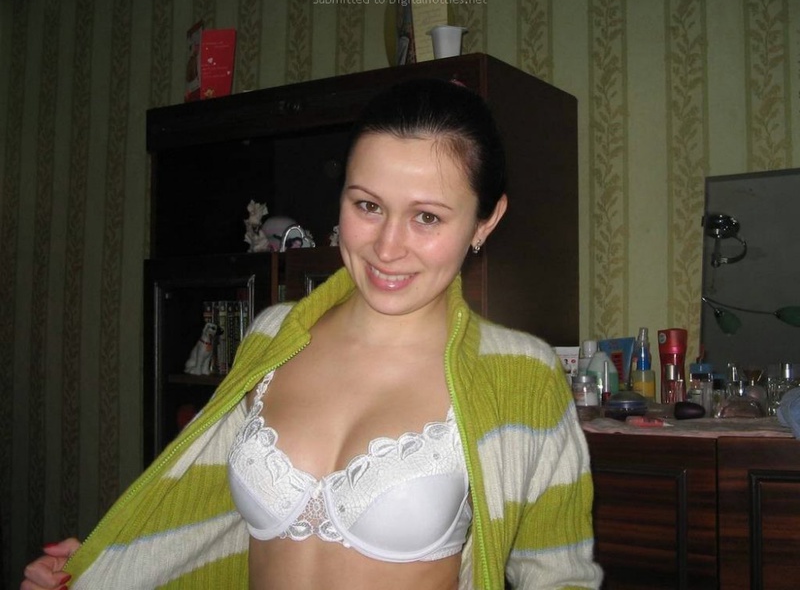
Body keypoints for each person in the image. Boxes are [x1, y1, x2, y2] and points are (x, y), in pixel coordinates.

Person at [22, 78, 602, 590]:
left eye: (427, 216)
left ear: (486, 220)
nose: (387, 247)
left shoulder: (521, 375)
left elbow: (560, 575)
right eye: (368, 205)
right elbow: (203, 519)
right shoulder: (273, 336)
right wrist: (103, 569)